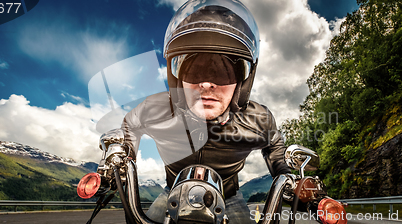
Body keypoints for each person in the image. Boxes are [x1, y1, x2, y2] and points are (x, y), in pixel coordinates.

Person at [100, 0, 292, 222]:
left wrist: (284, 174)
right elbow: (130, 124)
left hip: (229, 197)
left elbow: (274, 142)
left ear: (242, 82)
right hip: (172, 192)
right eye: (194, 70)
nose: (207, 84)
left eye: (223, 72)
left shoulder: (259, 120)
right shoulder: (155, 109)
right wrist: (123, 156)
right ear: (178, 78)